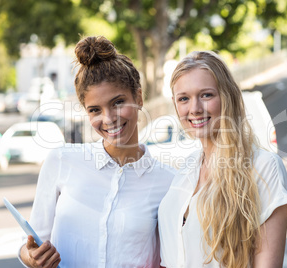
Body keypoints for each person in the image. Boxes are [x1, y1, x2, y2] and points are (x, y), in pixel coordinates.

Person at [18, 36, 175, 268]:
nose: (109, 118)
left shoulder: (168, 181)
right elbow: (29, 244)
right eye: (95, 110)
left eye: (118, 102)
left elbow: (170, 259)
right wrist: (31, 257)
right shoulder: (61, 161)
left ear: (139, 98)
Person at [158, 51, 287, 268]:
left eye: (206, 95)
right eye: (183, 98)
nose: (194, 109)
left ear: (228, 97)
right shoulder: (186, 169)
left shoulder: (263, 166)